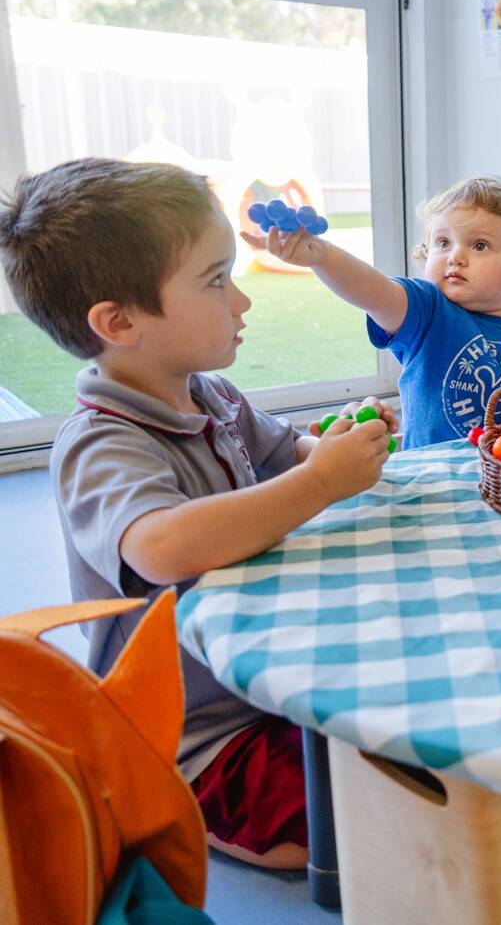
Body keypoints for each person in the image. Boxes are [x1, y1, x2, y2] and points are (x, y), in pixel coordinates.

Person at [0, 158, 397, 870]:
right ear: (118, 322)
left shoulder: (210, 395)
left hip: (272, 679)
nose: (241, 302)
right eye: (216, 281)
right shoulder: (98, 444)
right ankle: (172, 799)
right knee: (373, 832)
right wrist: (319, 485)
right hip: (201, 733)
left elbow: (289, 456)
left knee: (406, 763)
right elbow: (162, 547)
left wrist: (335, 448)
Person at [248, 176, 501, 448]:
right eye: (443, 243)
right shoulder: (428, 312)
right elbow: (373, 293)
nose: (454, 257)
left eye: (479, 246)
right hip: (432, 483)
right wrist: (322, 256)